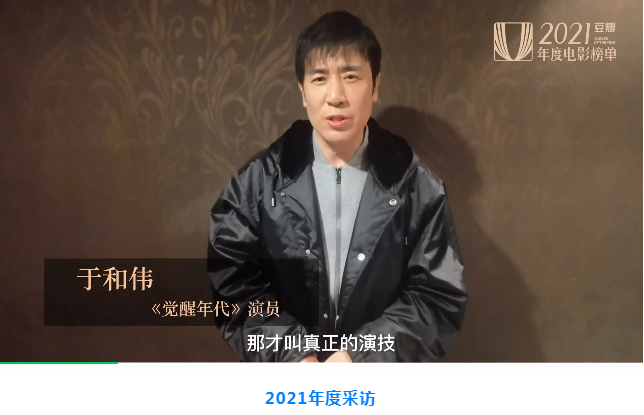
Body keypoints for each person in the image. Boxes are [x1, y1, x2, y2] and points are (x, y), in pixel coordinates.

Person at [207, 10, 467, 362]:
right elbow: (233, 285)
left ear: (375, 86)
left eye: (350, 76)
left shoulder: (416, 185)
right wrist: (294, 355)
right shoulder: (257, 182)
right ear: (302, 92)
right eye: (319, 78)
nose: (336, 95)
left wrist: (358, 358)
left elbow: (437, 296)